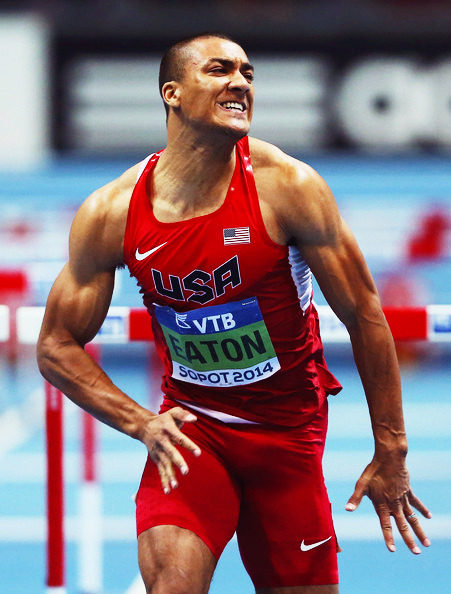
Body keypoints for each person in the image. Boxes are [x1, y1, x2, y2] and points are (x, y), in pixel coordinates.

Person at [37, 33, 431, 593]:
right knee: (172, 582)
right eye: (219, 70)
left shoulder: (287, 187)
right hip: (193, 434)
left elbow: (366, 314)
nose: (240, 83)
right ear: (171, 93)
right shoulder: (112, 212)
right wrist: (141, 422)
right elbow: (55, 345)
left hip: (287, 438)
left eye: (247, 73)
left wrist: (391, 447)